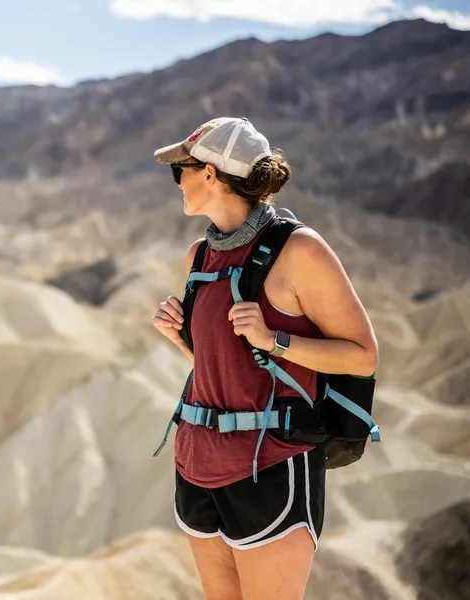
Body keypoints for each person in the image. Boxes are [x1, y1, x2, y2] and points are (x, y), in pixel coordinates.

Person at [150, 117, 378, 600]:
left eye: (181, 171)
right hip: (197, 465)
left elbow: (362, 357)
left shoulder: (300, 251)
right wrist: (180, 336)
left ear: (209, 174)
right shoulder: (200, 255)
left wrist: (277, 340)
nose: (178, 183)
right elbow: (230, 361)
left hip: (271, 466)